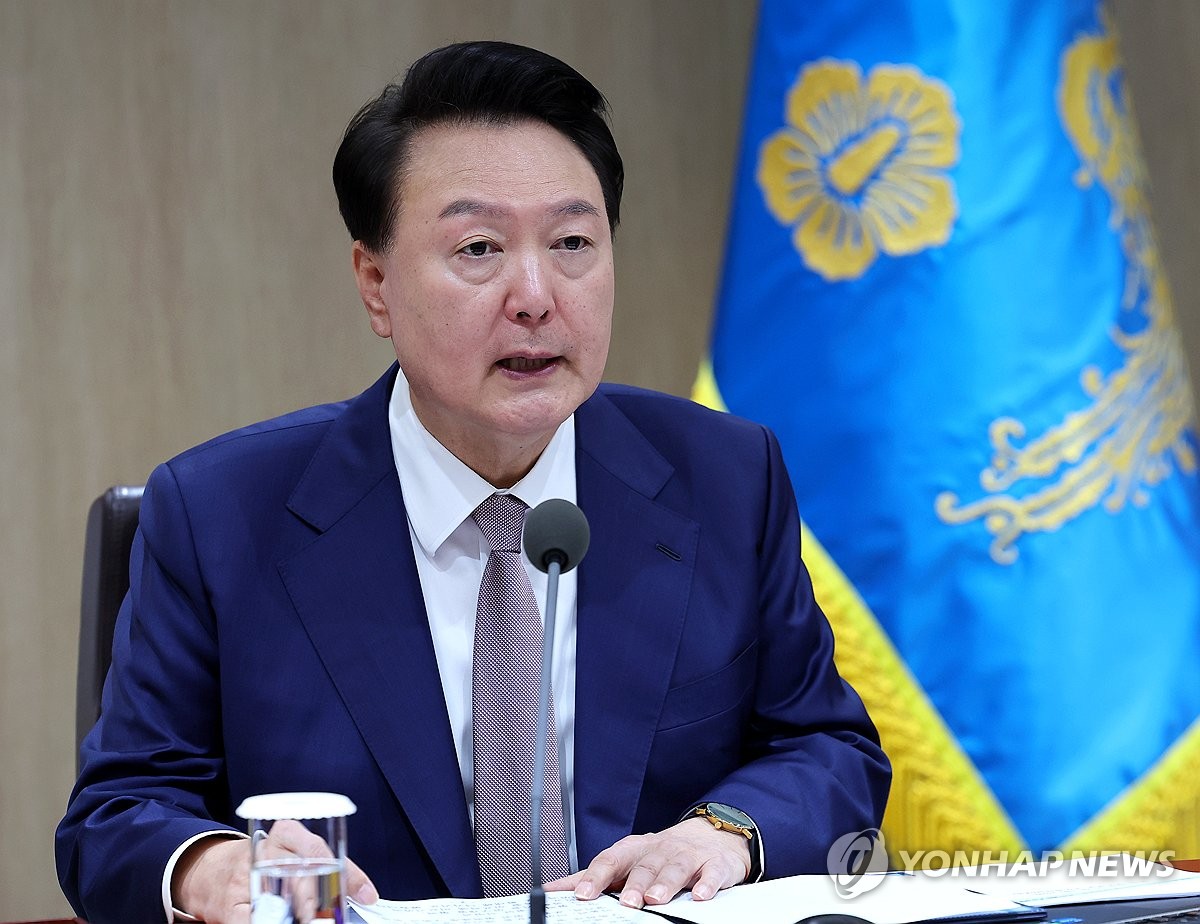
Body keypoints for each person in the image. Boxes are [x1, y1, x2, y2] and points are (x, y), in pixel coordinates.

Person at [56, 40, 890, 924]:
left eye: (573, 241)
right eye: (480, 247)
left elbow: (826, 746)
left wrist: (722, 833)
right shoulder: (220, 515)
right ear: (375, 283)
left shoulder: (724, 478)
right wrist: (212, 868)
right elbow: (116, 814)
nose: (535, 293)